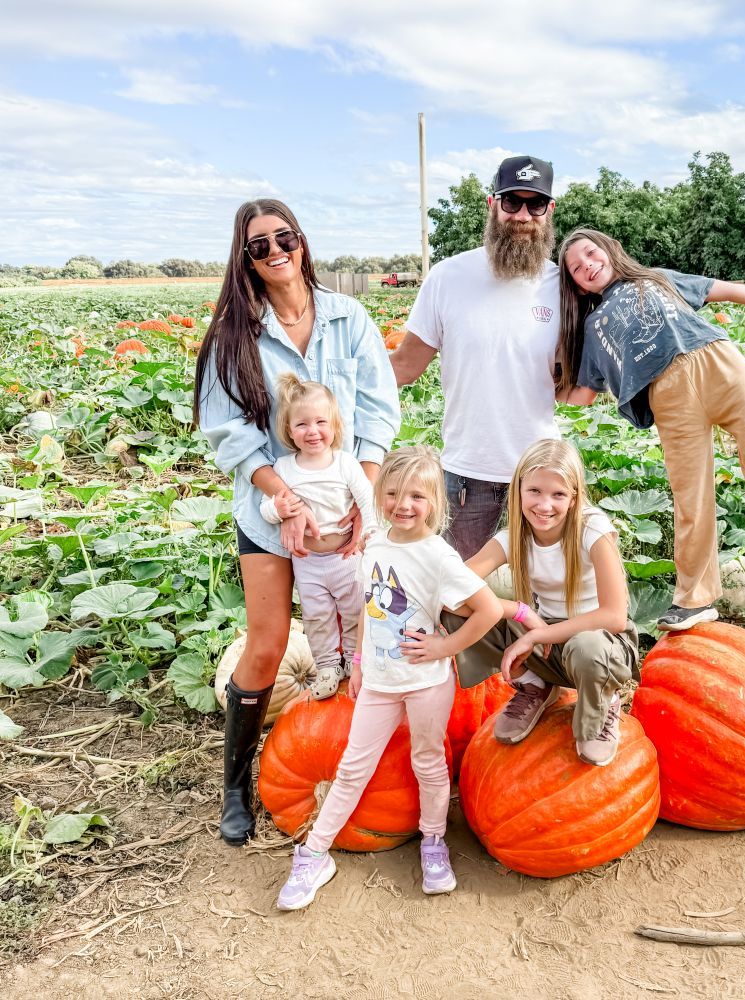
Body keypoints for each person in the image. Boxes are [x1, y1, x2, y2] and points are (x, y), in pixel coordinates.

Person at [194, 198, 400, 847]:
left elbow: (378, 411)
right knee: (266, 644)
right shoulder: (233, 336)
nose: (275, 251)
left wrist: (360, 500)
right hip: (270, 513)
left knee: (362, 630)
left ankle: (361, 764)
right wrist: (285, 499)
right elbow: (227, 432)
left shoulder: (349, 317)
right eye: (259, 245)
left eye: (284, 238)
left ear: (301, 242)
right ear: (246, 259)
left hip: (347, 513)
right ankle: (236, 785)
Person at [557, 227, 745, 631]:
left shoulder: (656, 278)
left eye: (591, 253)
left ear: (609, 249)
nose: (588, 265)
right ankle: (695, 599)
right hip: (668, 395)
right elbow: (582, 395)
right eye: (576, 267)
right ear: (576, 284)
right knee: (688, 492)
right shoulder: (593, 327)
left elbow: (721, 290)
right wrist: (530, 379)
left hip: (719, 365)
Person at [275, 446, 502, 910]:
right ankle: (314, 853)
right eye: (394, 493)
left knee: (428, 763)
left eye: (417, 495)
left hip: (425, 682)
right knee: (352, 767)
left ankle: (433, 842)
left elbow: (489, 610)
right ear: (380, 497)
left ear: (434, 502)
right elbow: (368, 607)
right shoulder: (374, 544)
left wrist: (444, 648)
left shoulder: (438, 555)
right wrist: (359, 663)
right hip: (379, 682)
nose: (403, 504)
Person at [391, 155, 562, 558]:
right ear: (492, 204)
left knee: (541, 586)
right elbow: (405, 366)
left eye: (535, 204)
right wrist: (332, 385)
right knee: (460, 585)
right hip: (468, 473)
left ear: (549, 210)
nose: (523, 216)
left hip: (541, 473)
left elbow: (575, 382)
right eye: (511, 202)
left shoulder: (562, 286)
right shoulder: (448, 277)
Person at [442, 439, 638, 767]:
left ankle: (603, 701)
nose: (544, 505)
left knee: (587, 647)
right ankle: (534, 686)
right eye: (534, 491)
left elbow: (614, 616)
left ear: (574, 498)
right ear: (518, 490)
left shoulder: (593, 530)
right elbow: (452, 592)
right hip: (548, 644)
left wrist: (537, 635)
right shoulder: (512, 538)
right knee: (460, 615)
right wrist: (519, 613)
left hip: (602, 644)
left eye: (558, 494)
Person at [259, 374, 379, 699]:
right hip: (308, 561)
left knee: (354, 610)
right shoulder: (284, 468)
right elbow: (265, 509)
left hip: (344, 556)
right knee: (317, 616)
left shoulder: (345, 464)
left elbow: (366, 500)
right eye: (302, 424)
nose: (312, 431)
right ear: (289, 431)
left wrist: (370, 534)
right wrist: (277, 509)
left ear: (335, 425)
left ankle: (353, 659)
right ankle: (326, 666)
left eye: (320, 422)